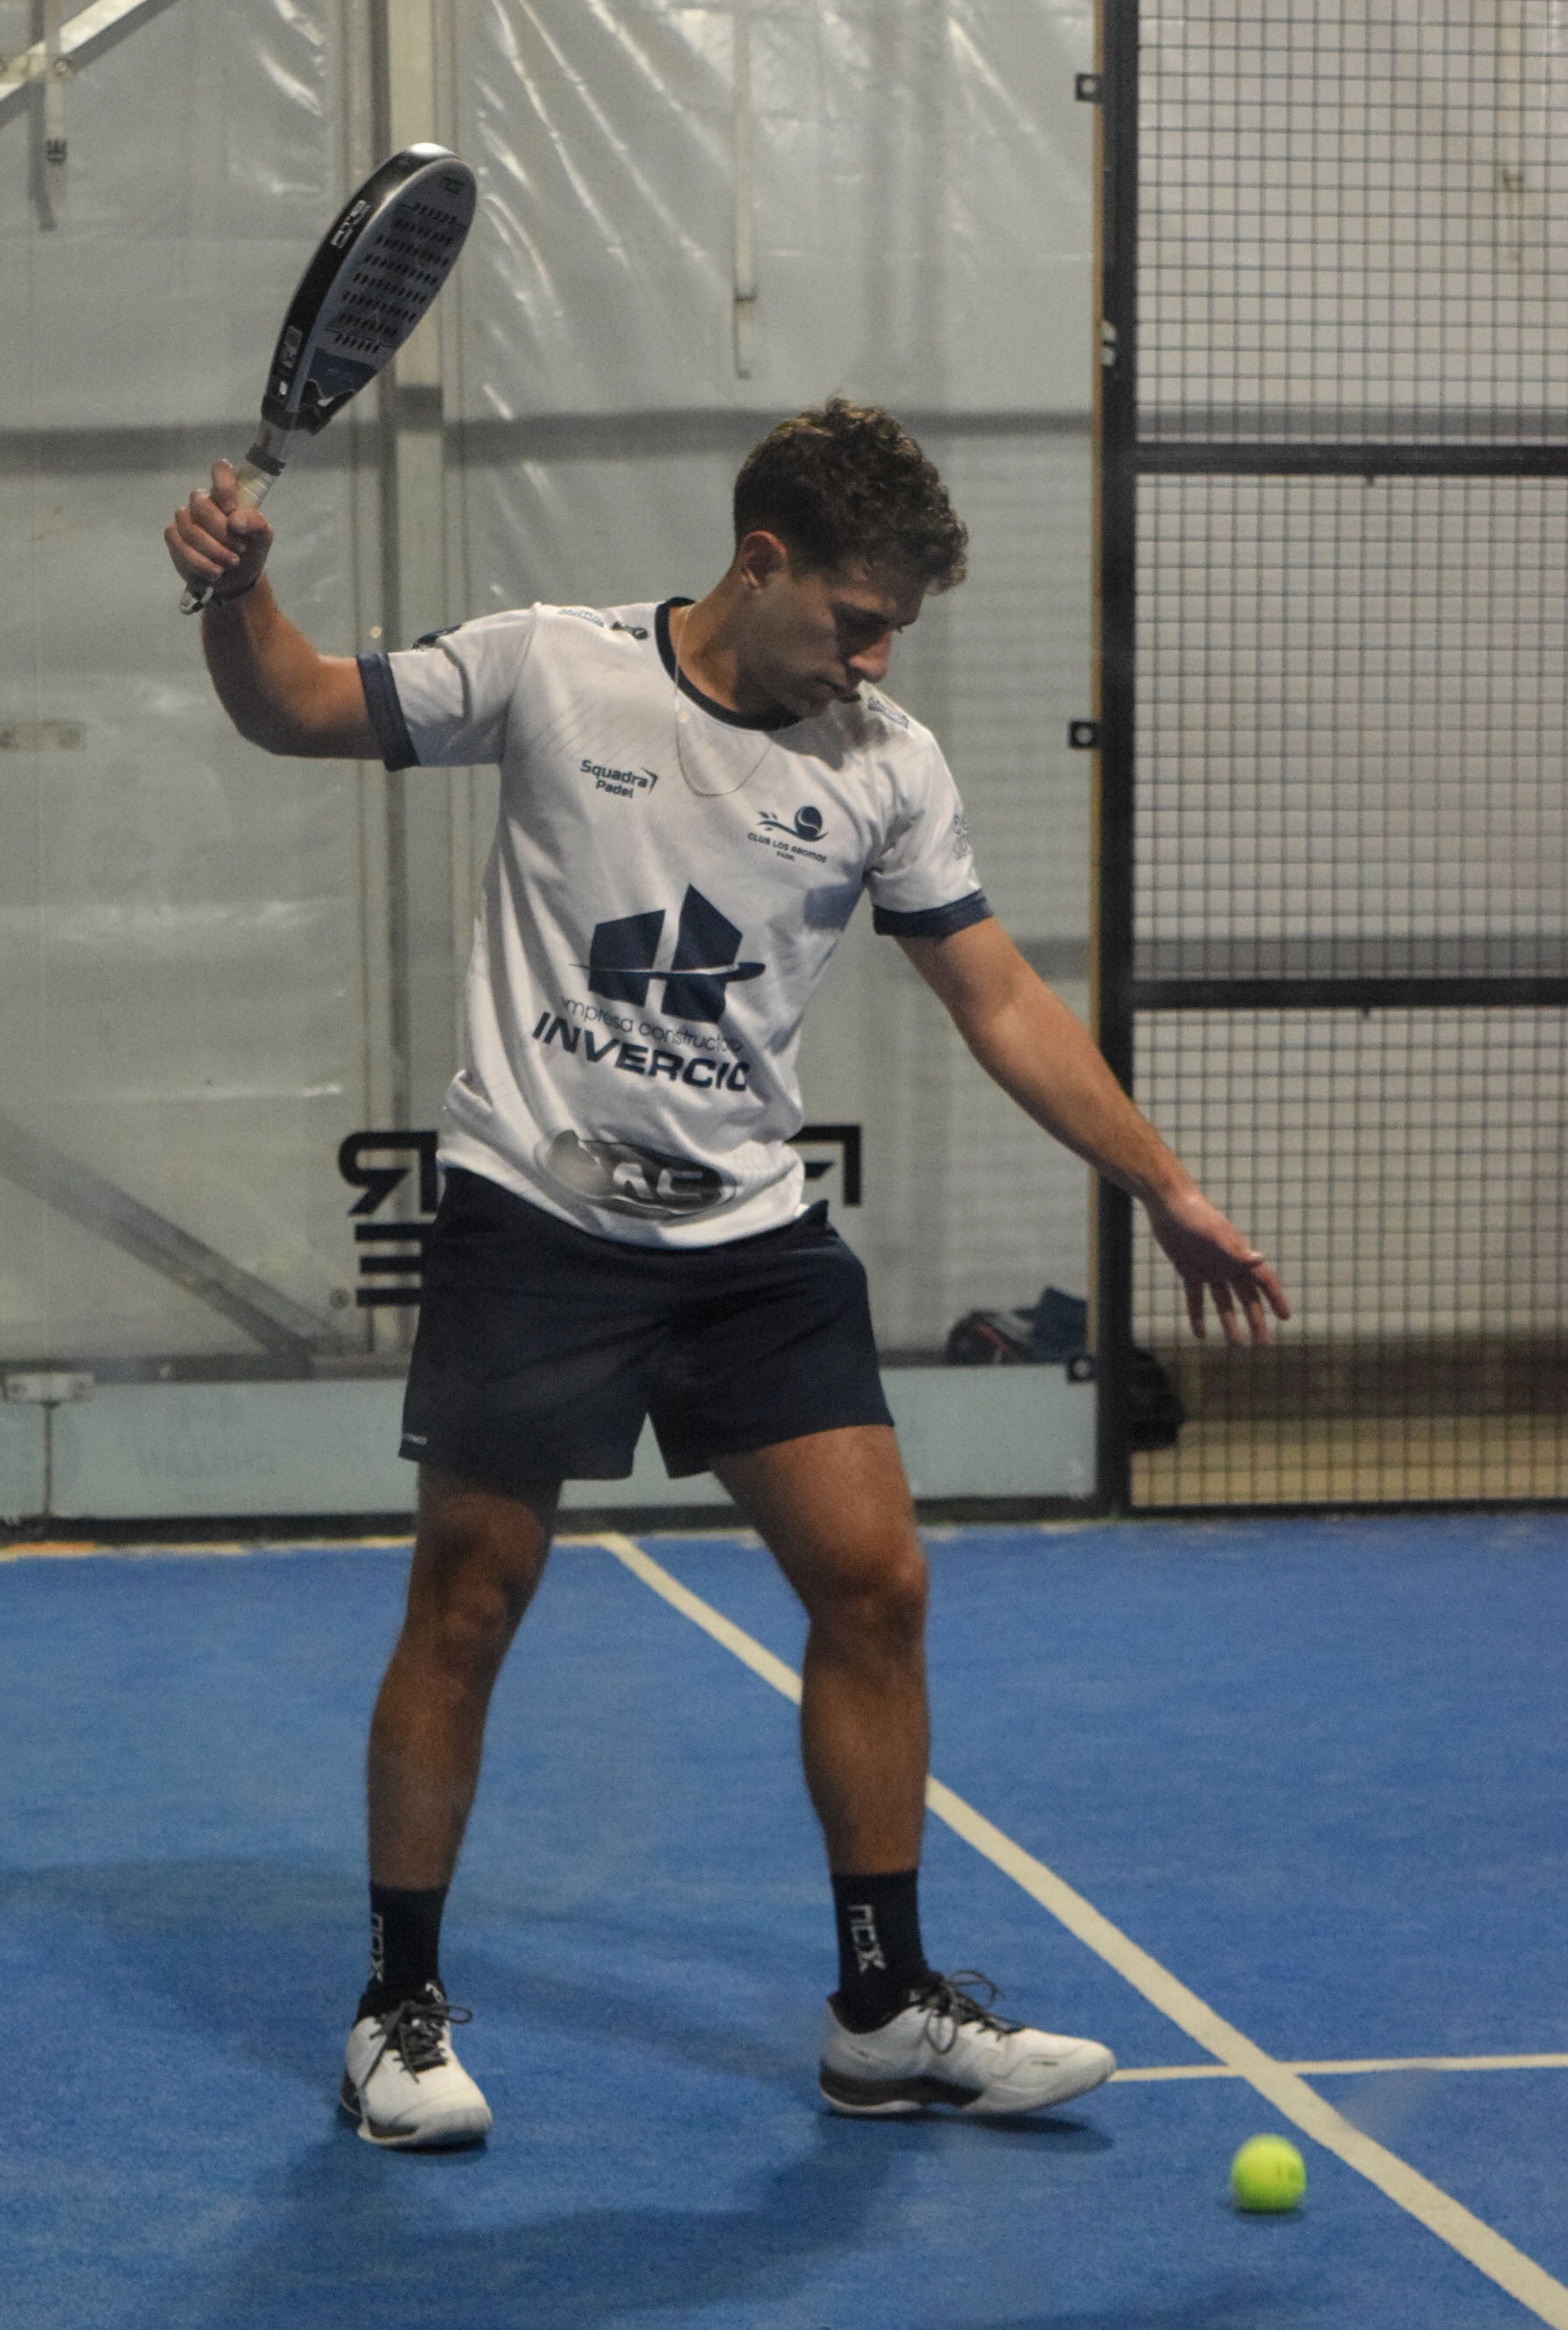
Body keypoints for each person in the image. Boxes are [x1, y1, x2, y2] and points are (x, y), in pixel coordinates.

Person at [166, 398, 1287, 2152]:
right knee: (468, 1600)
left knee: (878, 1586)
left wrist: (1165, 1184)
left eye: (893, 628)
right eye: (856, 617)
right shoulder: (551, 667)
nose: (875, 657)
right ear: (760, 562)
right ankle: (395, 2009)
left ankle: (881, 2014)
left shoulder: (886, 764)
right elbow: (295, 703)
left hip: (748, 1240)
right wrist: (238, 593)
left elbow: (996, 994)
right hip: (536, 1218)